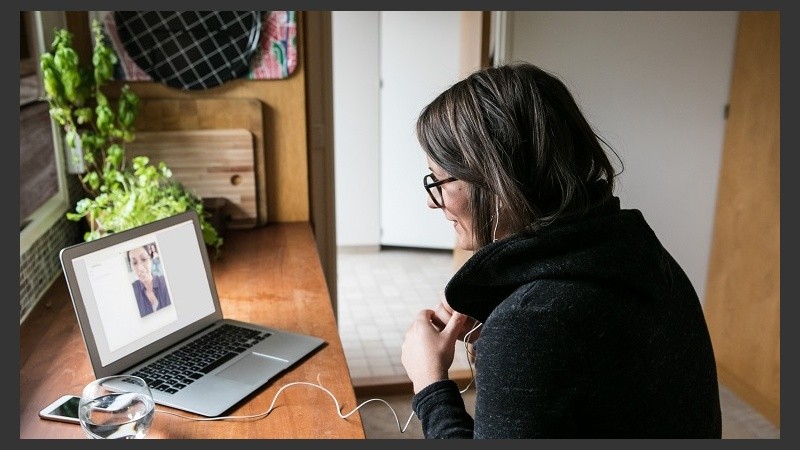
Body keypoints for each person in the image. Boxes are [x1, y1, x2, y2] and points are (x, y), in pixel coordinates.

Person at [400, 62, 721, 438]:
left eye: (438, 180)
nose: (432, 202)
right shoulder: (636, 249)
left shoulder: (533, 321)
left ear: (496, 179)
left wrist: (431, 386)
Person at [128, 244, 172, 317]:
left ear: (150, 260)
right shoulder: (131, 291)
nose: (140, 268)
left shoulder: (166, 282)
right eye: (134, 263)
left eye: (144, 259)